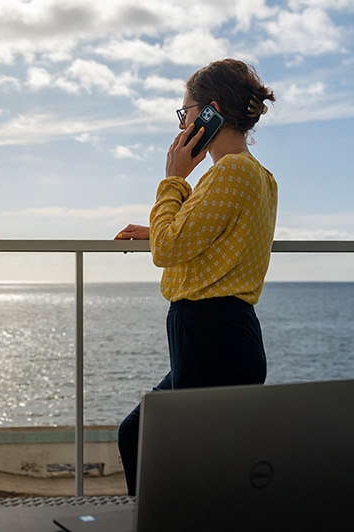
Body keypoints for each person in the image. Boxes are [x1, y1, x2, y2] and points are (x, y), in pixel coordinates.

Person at [114, 58, 278, 496]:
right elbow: (205, 236)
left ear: (210, 110)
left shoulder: (230, 172)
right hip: (224, 333)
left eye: (185, 111)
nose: (183, 121)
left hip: (209, 331)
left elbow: (169, 251)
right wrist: (159, 229)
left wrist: (173, 179)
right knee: (148, 438)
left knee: (178, 460)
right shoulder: (258, 175)